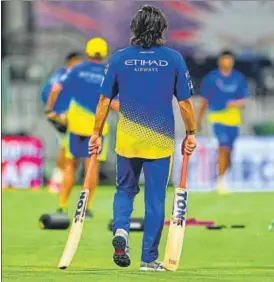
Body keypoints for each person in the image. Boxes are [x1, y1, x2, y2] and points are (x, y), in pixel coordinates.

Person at [89, 5, 197, 271]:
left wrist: (96, 132)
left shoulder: (119, 58)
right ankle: (149, 259)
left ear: (134, 29)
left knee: (125, 190)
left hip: (127, 138)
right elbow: (184, 103)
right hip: (159, 141)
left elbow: (104, 100)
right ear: (162, 29)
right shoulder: (173, 59)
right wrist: (191, 133)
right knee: (155, 199)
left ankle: (122, 231)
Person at [46, 37, 119, 218]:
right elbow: (114, 104)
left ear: (87, 52)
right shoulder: (109, 73)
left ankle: (62, 206)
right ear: (104, 54)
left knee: (70, 166)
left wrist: (50, 110)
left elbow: (55, 88)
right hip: (97, 128)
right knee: (91, 167)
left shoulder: (76, 69)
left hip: (76, 125)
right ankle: (86, 208)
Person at [197, 50, 249, 194]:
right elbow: (204, 100)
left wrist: (235, 103)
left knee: (230, 151)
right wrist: (198, 120)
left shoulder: (238, 78)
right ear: (220, 61)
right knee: (223, 147)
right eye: (224, 60)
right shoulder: (212, 78)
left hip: (233, 118)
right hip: (217, 116)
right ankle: (220, 182)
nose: (227, 62)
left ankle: (224, 176)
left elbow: (244, 100)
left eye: (229, 60)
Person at [41, 52, 82, 193]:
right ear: (70, 62)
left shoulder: (77, 75)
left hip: (75, 116)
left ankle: (61, 178)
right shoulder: (61, 75)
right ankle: (58, 179)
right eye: (77, 62)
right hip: (63, 115)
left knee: (70, 148)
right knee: (66, 146)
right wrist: (54, 111)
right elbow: (47, 92)